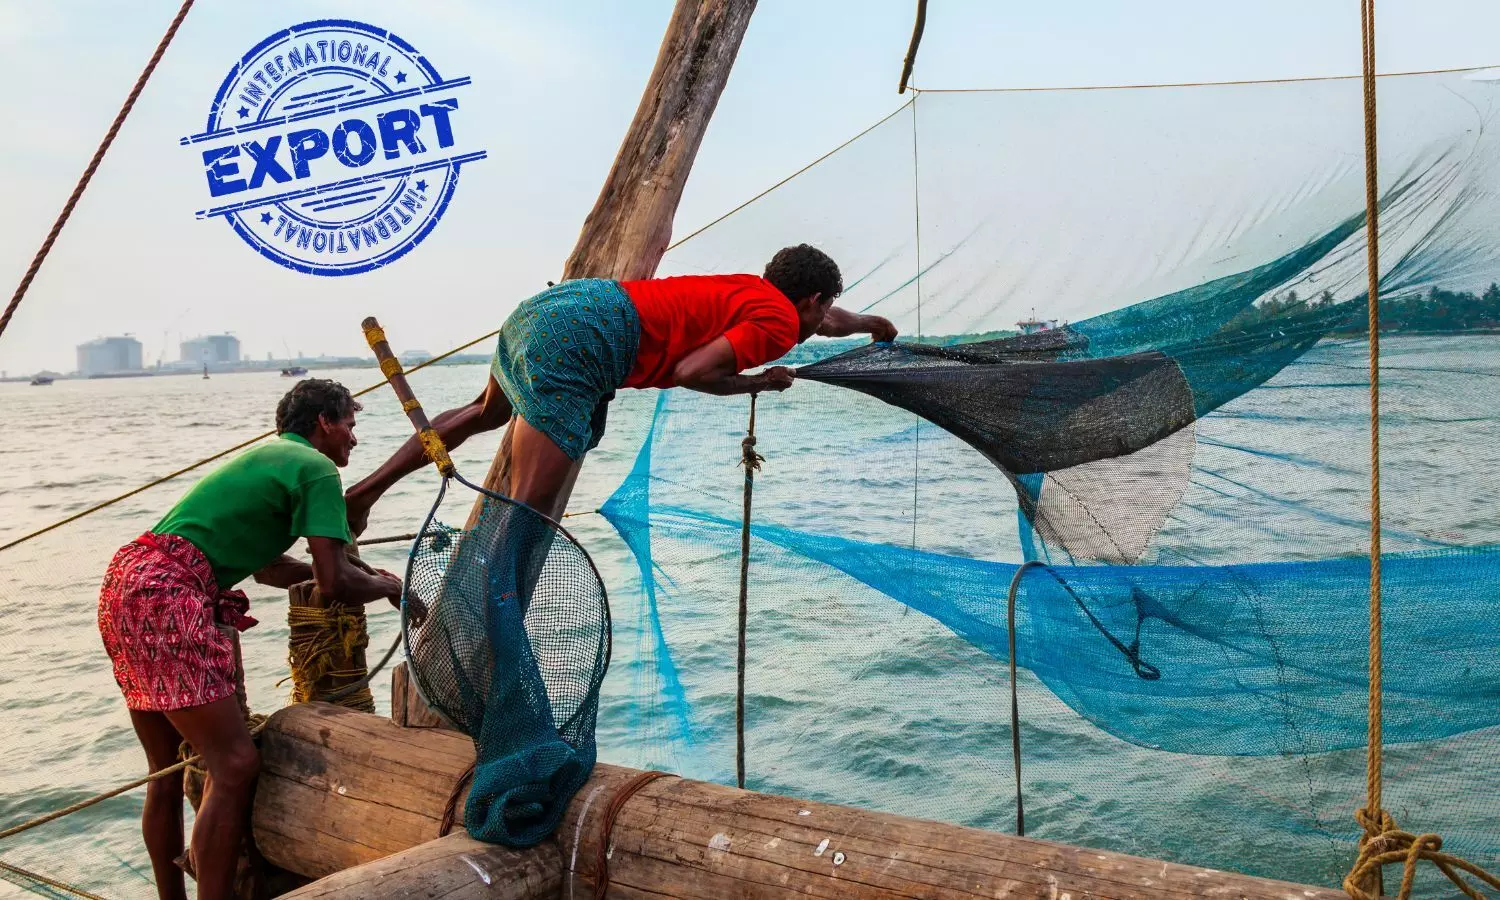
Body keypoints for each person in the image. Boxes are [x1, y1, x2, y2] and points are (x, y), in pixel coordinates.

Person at [97, 379, 403, 900]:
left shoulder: (269, 458)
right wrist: (393, 586)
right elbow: (333, 585)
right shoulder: (316, 468)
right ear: (324, 423)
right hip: (170, 591)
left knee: (165, 769)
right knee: (234, 764)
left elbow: (267, 569)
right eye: (350, 426)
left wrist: (353, 573)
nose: (353, 439)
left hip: (129, 580)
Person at [345, 244, 896, 527]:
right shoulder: (776, 322)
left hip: (551, 308)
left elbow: (828, 322)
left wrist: (873, 326)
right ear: (813, 300)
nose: (822, 322)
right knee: (530, 509)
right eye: (824, 307)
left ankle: (364, 494)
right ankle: (497, 606)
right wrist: (757, 384)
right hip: (587, 339)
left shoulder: (755, 293)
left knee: (482, 413)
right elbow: (691, 373)